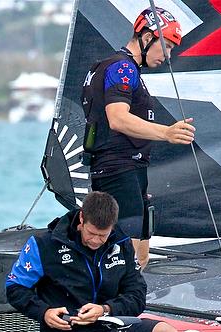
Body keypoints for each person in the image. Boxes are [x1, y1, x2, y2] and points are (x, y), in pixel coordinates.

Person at [5, 192, 178, 332]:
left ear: (112, 226)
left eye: (102, 235)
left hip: (115, 325)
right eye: (91, 233)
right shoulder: (43, 244)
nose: (95, 240)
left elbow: (137, 295)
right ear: (81, 218)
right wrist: (44, 312)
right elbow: (15, 288)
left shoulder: (122, 242)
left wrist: (106, 309)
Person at [81, 7, 195, 269]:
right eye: (166, 46)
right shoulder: (122, 67)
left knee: (140, 257)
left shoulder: (120, 68)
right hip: (118, 170)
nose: (168, 56)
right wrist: (166, 132)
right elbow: (118, 119)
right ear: (146, 38)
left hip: (131, 168)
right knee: (126, 260)